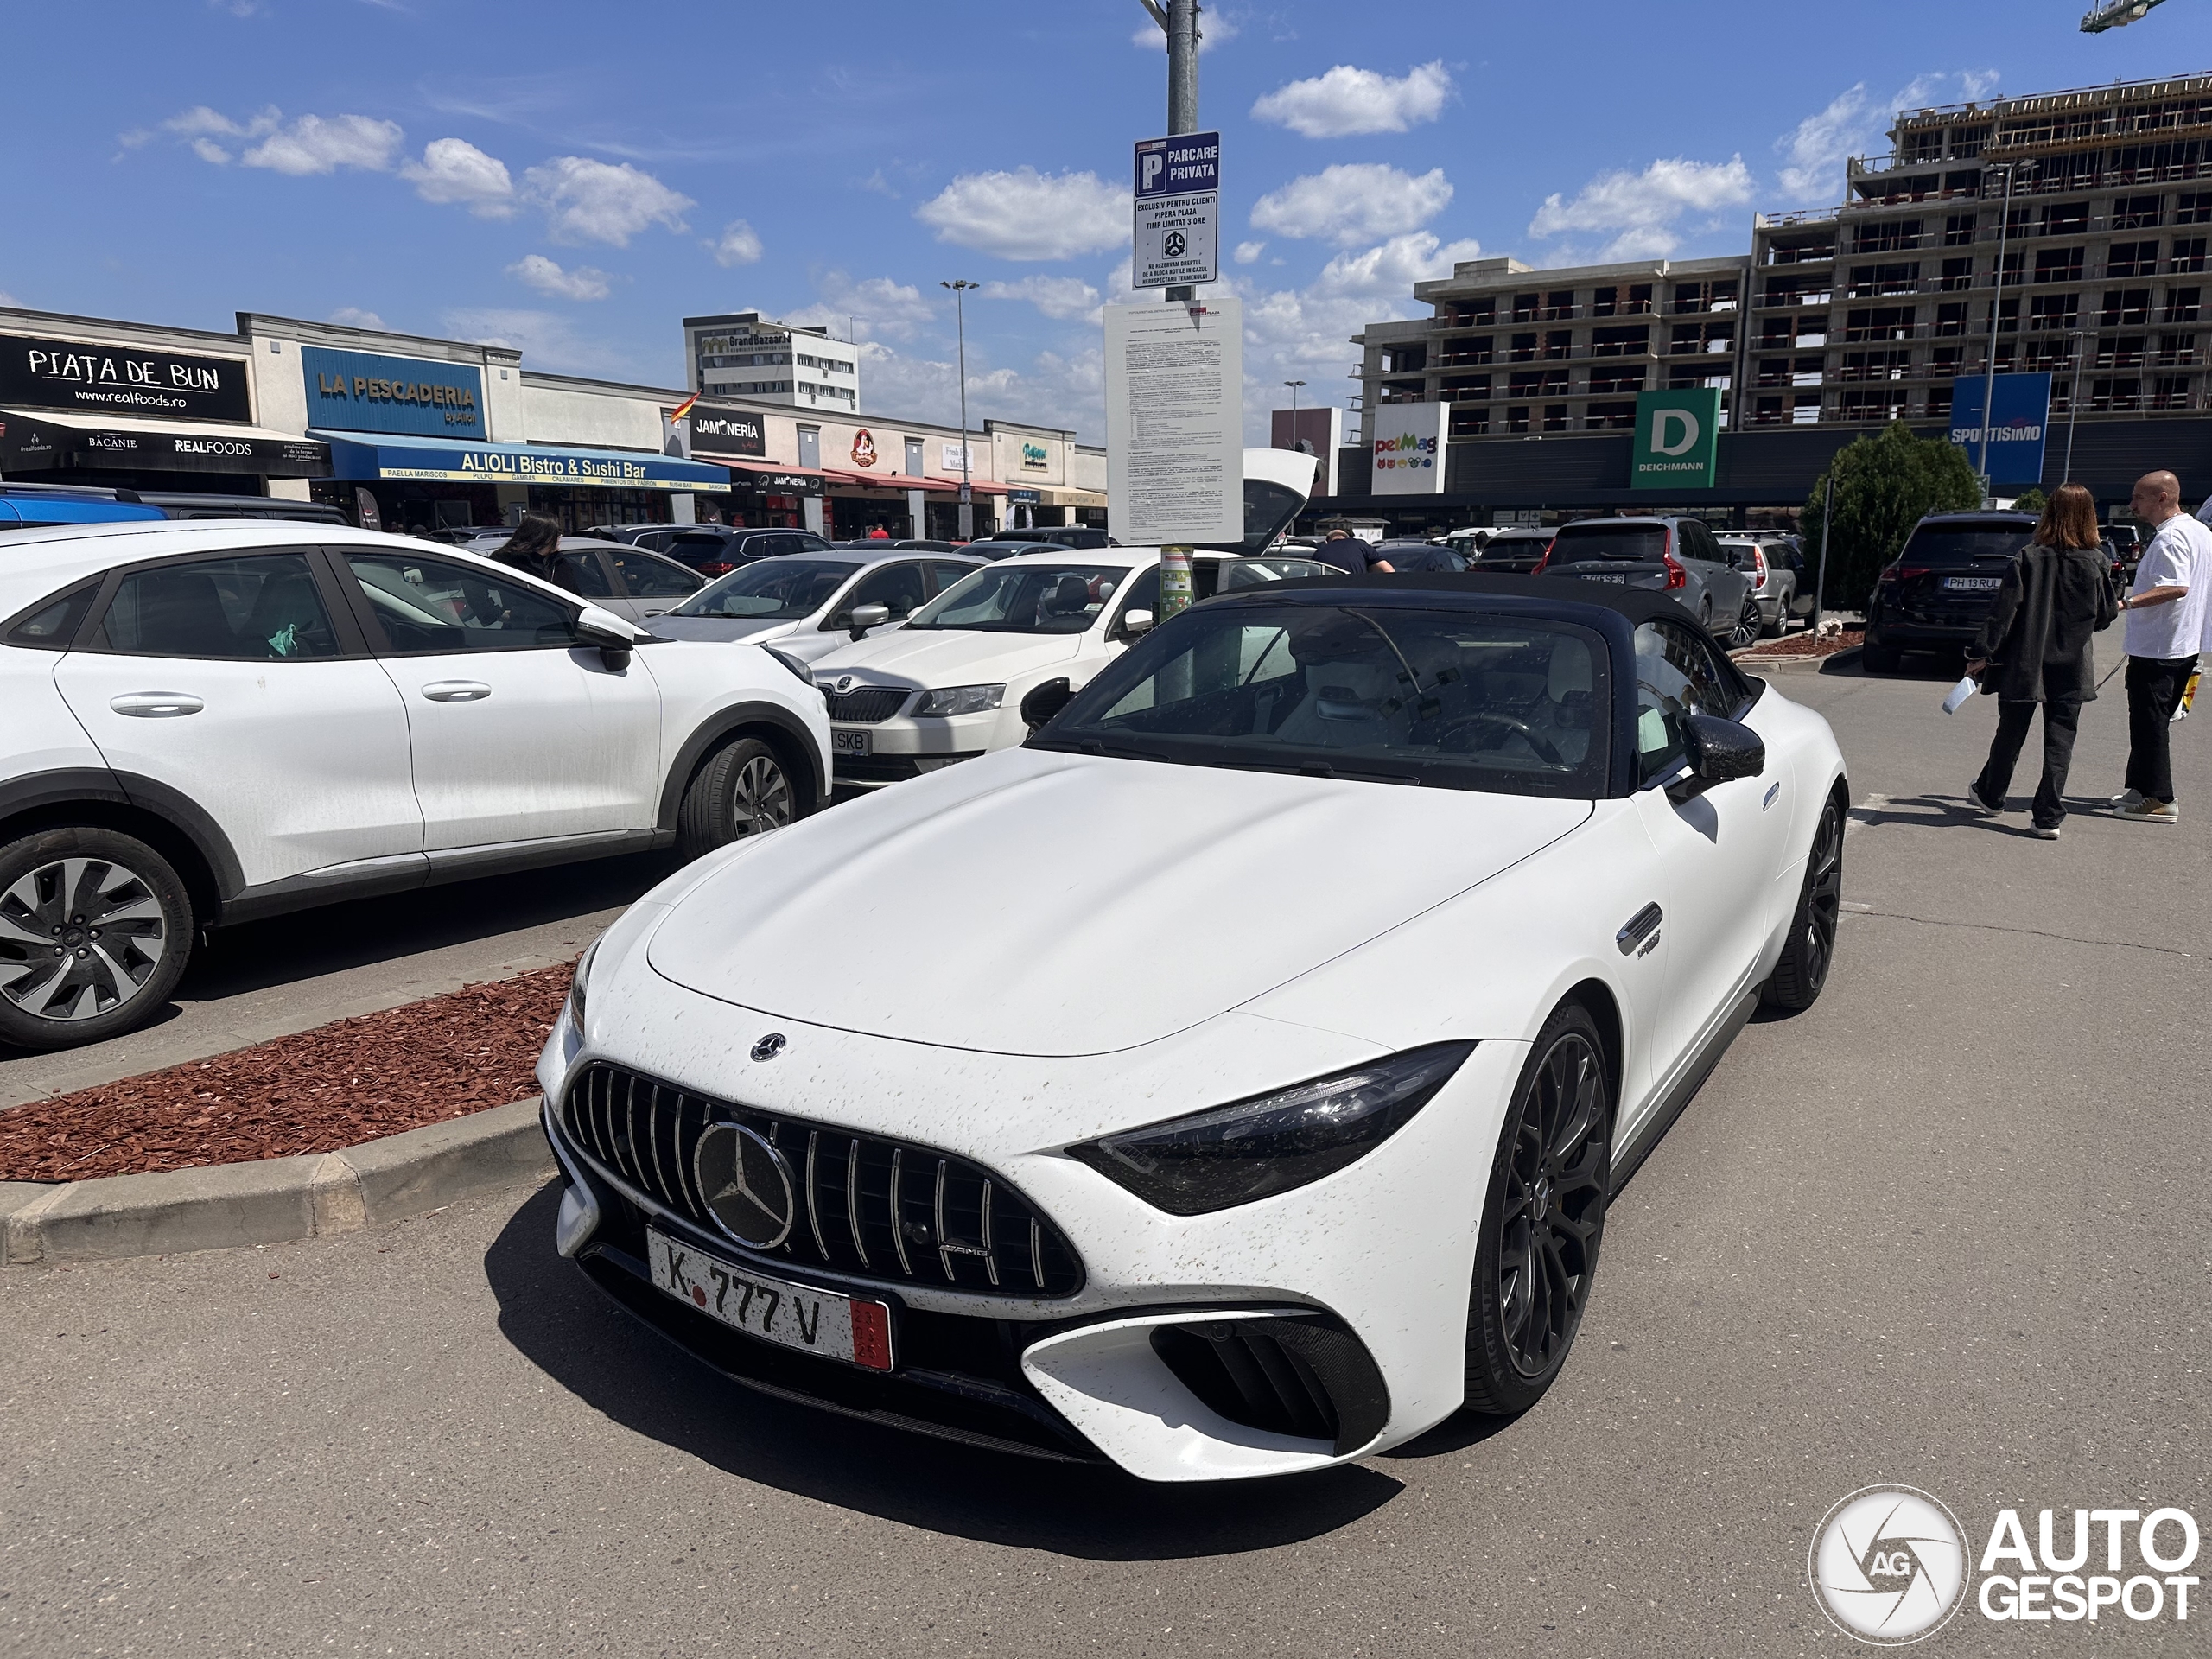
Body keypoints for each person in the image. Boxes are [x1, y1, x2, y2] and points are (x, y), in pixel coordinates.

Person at [1962, 484, 2118, 839]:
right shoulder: (2097, 562)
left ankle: (1991, 795)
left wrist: (1980, 654)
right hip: (2074, 666)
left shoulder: (2029, 558)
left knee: (2010, 733)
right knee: (2060, 742)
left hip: (2026, 663)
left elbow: (2003, 614)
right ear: (2089, 517)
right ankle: (2047, 818)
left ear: (2050, 512)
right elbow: (2106, 614)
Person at [2111, 470, 2212, 823]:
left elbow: (2177, 587)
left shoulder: (2172, 538)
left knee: (2150, 723)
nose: (2132, 503)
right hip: (2180, 644)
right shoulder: (2198, 530)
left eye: (2139, 496)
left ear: (2162, 498)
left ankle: (2161, 798)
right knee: (2148, 721)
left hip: (2161, 648)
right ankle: (2140, 787)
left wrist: (2126, 604)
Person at [487, 513, 580, 594]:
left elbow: (575, 595)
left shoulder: (559, 562)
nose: (560, 537)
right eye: (557, 533)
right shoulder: (507, 560)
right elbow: (482, 587)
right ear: (542, 536)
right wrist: (498, 611)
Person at [1313, 529, 1395, 575]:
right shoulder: (1360, 545)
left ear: (1327, 542)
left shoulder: (1319, 553)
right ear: (1347, 538)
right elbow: (1388, 570)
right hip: (1357, 591)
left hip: (1329, 594)